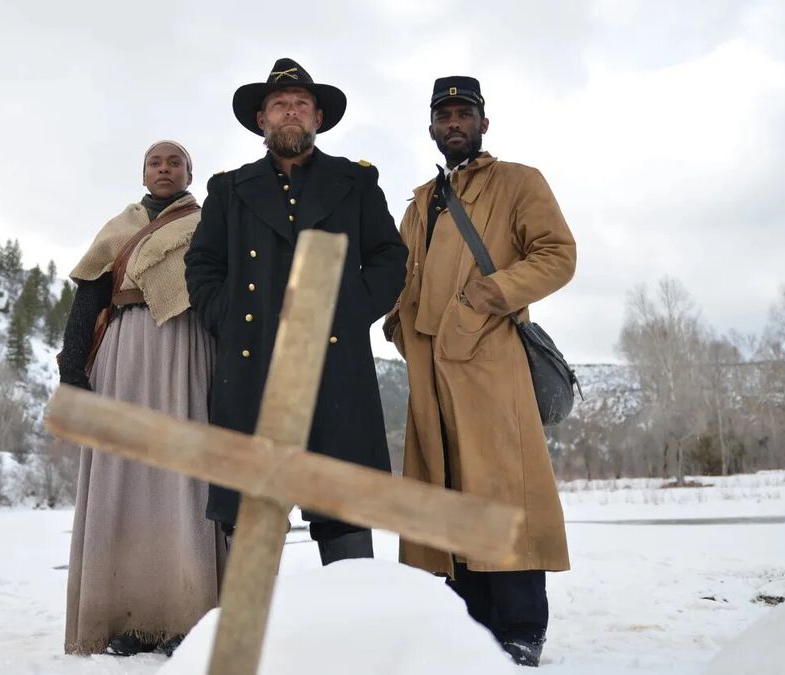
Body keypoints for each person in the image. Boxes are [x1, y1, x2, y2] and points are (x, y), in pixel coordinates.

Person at [383, 76, 576, 667]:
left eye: (464, 113)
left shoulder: (518, 181)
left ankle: (520, 629)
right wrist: (396, 321)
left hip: (491, 364)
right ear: (432, 126)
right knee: (448, 494)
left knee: (503, 492)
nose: (453, 123)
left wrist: (481, 299)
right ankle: (468, 629)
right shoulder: (419, 202)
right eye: (443, 115)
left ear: (483, 123)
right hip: (429, 373)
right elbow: (401, 272)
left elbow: (557, 255)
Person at [185, 58, 407, 564]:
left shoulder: (355, 182)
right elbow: (202, 265)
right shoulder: (229, 189)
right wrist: (226, 314)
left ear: (318, 118)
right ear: (261, 119)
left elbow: (389, 257)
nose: (291, 112)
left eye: (301, 105)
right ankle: (253, 635)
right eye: (279, 105)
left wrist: (348, 311)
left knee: (343, 508)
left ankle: (350, 632)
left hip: (334, 365)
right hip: (251, 364)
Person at [58, 140, 225, 658]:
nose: (165, 169)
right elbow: (89, 293)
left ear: (189, 174)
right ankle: (124, 615)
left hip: (188, 350)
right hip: (124, 353)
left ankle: (187, 616)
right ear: (144, 172)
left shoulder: (208, 221)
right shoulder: (119, 226)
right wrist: (71, 368)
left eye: (175, 162)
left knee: (184, 481)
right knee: (122, 479)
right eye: (156, 161)